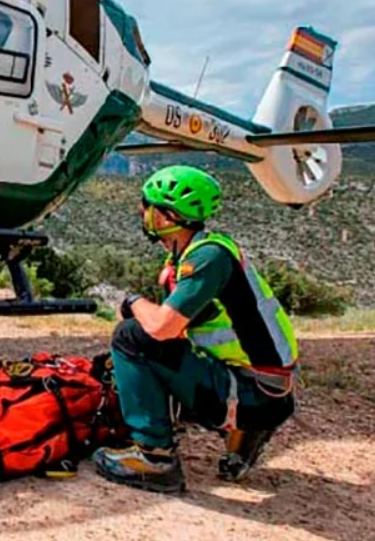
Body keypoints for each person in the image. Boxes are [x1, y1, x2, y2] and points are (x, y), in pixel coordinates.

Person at [91, 165, 299, 494]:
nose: (141, 213)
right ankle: (243, 434)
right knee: (139, 357)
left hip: (253, 393)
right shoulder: (203, 253)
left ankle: (154, 458)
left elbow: (160, 329)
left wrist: (132, 302)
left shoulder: (207, 259)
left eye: (147, 206)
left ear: (166, 216)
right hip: (269, 390)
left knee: (130, 336)